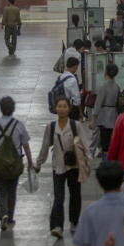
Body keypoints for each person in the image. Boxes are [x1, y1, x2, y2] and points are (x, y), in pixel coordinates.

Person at [35, 96, 89, 238]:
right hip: (57, 166)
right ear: (55, 109)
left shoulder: (75, 125)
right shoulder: (51, 127)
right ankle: (57, 226)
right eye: (59, 106)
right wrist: (39, 163)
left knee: (75, 195)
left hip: (74, 166)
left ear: (69, 109)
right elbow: (45, 146)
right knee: (59, 197)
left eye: (65, 106)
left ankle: (74, 222)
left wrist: (88, 161)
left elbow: (84, 145)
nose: (62, 109)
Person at [0, 96, 33, 231]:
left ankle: (2, 214)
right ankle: (10, 216)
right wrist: (30, 162)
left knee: (0, 190)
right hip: (14, 164)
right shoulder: (19, 126)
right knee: (12, 190)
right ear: (13, 109)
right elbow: (25, 145)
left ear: (0, 109)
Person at [90, 63, 121, 154]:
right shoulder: (116, 86)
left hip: (104, 116)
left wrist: (93, 119)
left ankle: (105, 160)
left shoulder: (103, 86)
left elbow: (98, 104)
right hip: (114, 115)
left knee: (104, 141)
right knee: (111, 140)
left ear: (106, 72)